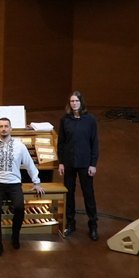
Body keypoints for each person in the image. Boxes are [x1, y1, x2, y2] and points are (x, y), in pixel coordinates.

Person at [0, 118, 44, 257]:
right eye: (1, 126)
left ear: (11, 129)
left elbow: (30, 164)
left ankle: (15, 235)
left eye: (6, 126)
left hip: (14, 183)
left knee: (19, 208)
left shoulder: (20, 146)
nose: (3, 129)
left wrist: (37, 182)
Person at [58, 90, 99, 240]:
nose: (74, 104)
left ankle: (93, 225)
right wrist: (61, 162)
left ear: (81, 102)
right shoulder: (65, 120)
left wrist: (93, 164)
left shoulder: (90, 120)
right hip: (69, 162)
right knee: (69, 194)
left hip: (85, 163)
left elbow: (94, 143)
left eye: (76, 101)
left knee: (88, 194)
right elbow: (61, 142)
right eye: (72, 101)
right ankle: (70, 223)